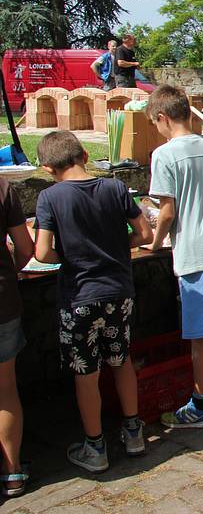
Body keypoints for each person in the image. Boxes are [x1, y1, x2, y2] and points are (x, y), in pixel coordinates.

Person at [34, 130, 153, 472]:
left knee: (86, 373)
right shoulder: (115, 187)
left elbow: (42, 252)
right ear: (85, 154)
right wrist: (116, 250)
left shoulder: (50, 197)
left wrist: (71, 257)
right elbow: (144, 233)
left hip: (79, 296)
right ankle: (134, 434)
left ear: (46, 168)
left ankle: (95, 447)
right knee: (121, 360)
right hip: (118, 291)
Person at [144, 85, 203, 429]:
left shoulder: (164, 155)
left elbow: (166, 211)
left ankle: (202, 403)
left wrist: (154, 242)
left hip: (193, 254)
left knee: (200, 336)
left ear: (163, 117)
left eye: (156, 123)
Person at [0, 179, 33, 498]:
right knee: (5, 389)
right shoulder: (2, 188)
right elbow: (25, 248)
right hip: (2, 299)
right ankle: (12, 473)